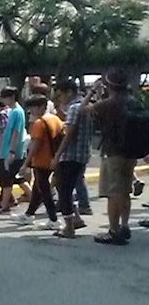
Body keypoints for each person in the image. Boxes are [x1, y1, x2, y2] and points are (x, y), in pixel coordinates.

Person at [82, 69, 137, 245]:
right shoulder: (133, 102)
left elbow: (83, 110)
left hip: (113, 153)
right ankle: (125, 224)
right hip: (132, 152)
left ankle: (113, 231)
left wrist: (92, 90)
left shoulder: (109, 103)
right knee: (125, 190)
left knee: (113, 193)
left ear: (109, 85)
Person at [51, 79, 93, 238]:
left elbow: (69, 135)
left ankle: (69, 227)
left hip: (71, 155)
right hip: (82, 154)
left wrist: (57, 155)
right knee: (67, 188)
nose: (60, 98)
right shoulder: (85, 106)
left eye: (61, 95)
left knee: (65, 191)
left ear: (69, 92)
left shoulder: (75, 108)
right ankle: (75, 218)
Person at [14, 95, 63, 229]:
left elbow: (35, 145)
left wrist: (25, 164)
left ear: (42, 106)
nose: (31, 110)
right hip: (53, 159)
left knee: (44, 190)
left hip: (41, 161)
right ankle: (29, 214)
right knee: (38, 188)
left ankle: (53, 219)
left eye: (34, 107)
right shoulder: (56, 120)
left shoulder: (39, 123)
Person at [0, 86, 27, 212]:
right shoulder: (15, 111)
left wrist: (12, 151)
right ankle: (9, 201)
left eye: (5, 97)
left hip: (11, 149)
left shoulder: (16, 112)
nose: (3, 100)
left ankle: (4, 205)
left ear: (12, 97)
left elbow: (16, 132)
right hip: (7, 148)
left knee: (6, 177)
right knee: (10, 177)